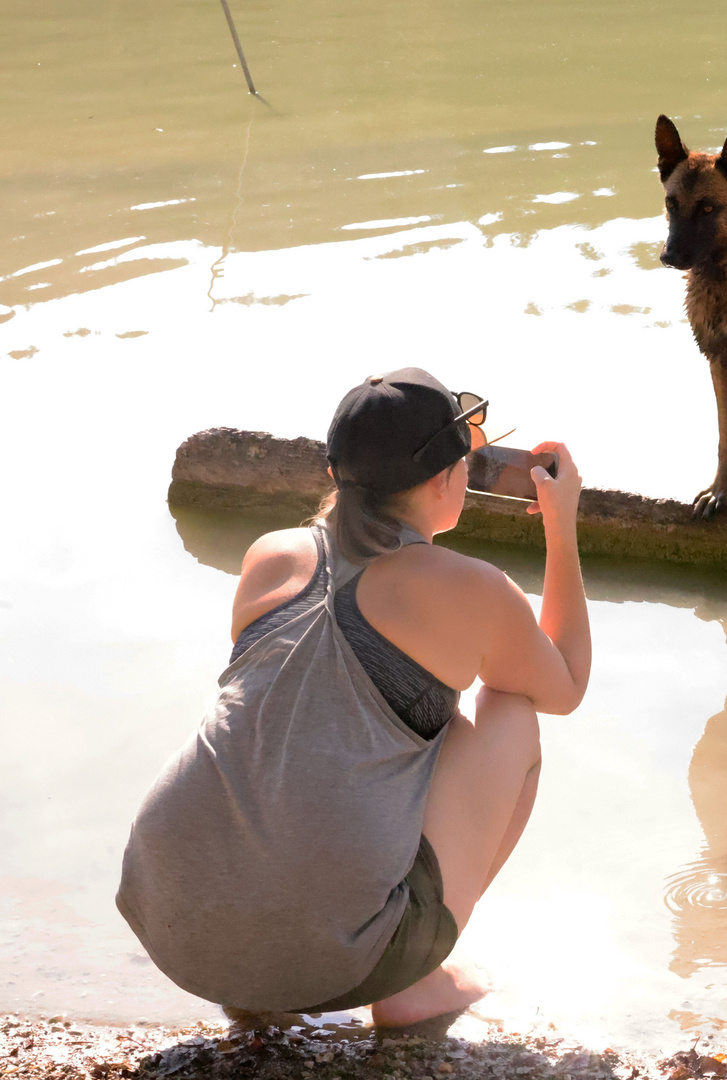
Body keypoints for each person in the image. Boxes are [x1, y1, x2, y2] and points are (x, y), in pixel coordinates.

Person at [117, 368, 590, 1027]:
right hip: (325, 961)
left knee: (378, 722)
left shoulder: (272, 555)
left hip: (171, 921)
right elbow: (564, 685)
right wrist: (562, 528)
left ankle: (256, 988)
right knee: (510, 711)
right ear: (443, 479)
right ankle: (414, 983)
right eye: (467, 457)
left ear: (338, 472)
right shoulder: (468, 588)